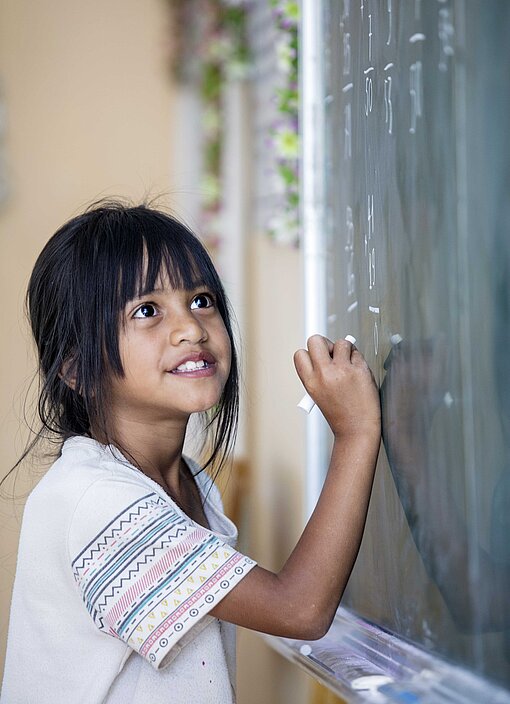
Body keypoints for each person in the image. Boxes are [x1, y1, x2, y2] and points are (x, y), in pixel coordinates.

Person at [1, 201, 381, 704]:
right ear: (76, 369)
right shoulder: (94, 499)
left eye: (201, 300)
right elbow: (299, 610)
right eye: (147, 311)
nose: (192, 329)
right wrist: (355, 433)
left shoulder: (186, 478)